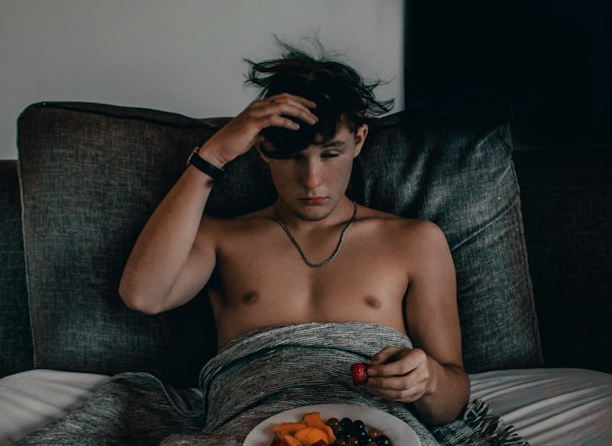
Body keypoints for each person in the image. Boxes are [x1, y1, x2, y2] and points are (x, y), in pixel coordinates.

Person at [118, 44, 471, 426]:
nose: (312, 180)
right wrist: (214, 156)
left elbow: (449, 406)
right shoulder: (222, 238)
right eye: (291, 157)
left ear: (360, 139)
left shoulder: (415, 242)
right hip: (244, 436)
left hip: (376, 437)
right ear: (264, 149)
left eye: (330, 154)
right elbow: (143, 295)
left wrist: (429, 380)